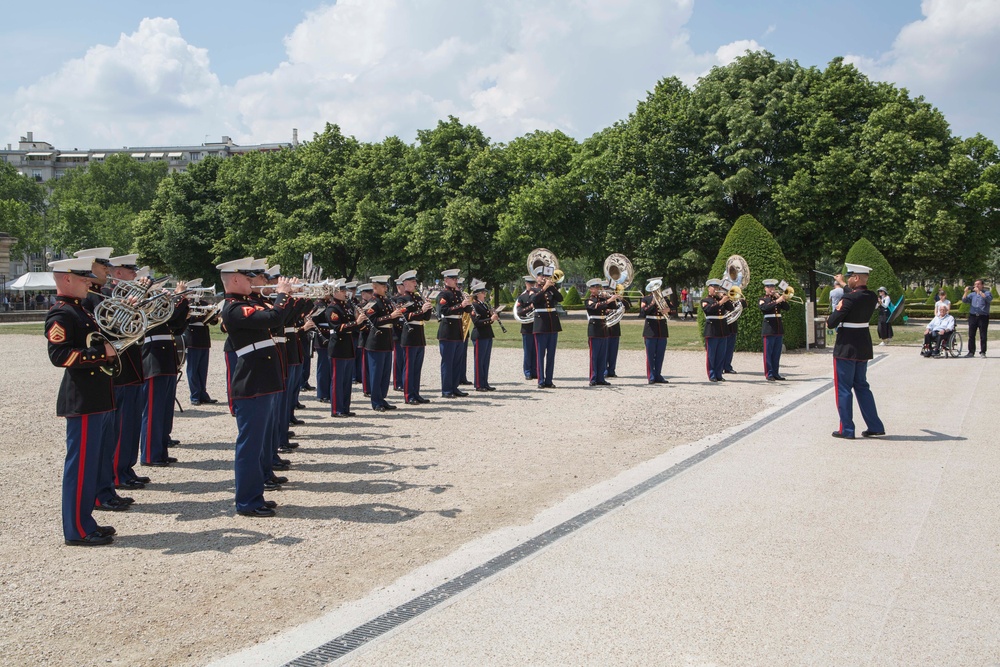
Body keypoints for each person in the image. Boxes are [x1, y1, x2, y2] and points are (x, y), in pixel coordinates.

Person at [46, 257, 120, 545]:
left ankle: (86, 520)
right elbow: (59, 356)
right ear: (66, 279)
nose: (89, 281)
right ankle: (76, 529)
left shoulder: (81, 311)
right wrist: (102, 354)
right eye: (82, 277)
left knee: (92, 464)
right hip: (83, 398)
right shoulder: (62, 314)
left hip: (96, 396)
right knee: (80, 467)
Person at [219, 257, 294, 517]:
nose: (253, 282)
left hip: (263, 379)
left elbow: (277, 315)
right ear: (235, 279)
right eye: (248, 278)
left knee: (260, 443)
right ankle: (247, 501)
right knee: (250, 446)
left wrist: (285, 295)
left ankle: (255, 495)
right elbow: (273, 317)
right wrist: (282, 295)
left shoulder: (248, 302)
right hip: (252, 382)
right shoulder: (233, 308)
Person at [106, 254, 151, 492]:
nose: (135, 274)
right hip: (121, 369)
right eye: (131, 270)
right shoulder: (108, 297)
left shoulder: (128, 295)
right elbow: (110, 329)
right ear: (119, 273)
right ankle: (116, 471)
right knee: (122, 424)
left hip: (134, 365)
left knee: (132, 423)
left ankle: (126, 468)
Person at [827, 263, 886, 440]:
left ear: (857, 278)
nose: (849, 279)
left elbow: (831, 322)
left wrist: (843, 292)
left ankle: (846, 429)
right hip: (863, 346)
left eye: (851, 276)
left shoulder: (849, 299)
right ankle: (875, 425)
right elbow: (855, 294)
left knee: (843, 388)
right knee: (862, 386)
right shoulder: (871, 296)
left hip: (846, 347)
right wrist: (843, 284)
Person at [139, 276, 189, 467]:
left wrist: (184, 308)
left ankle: (160, 449)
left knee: (165, 410)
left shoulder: (157, 303)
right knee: (153, 411)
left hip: (165, 357)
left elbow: (175, 326)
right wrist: (179, 298)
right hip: (153, 357)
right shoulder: (144, 303)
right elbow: (167, 315)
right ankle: (150, 454)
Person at [362, 275, 405, 412]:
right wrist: (390, 317)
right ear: (375, 287)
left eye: (386, 286)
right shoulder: (372, 302)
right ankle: (376, 401)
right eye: (383, 286)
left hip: (387, 339)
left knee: (385, 373)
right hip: (376, 340)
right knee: (376, 373)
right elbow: (371, 321)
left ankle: (382, 398)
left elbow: (392, 321)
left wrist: (397, 315)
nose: (386, 288)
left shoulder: (387, 301)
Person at [181, 279, 220, 406]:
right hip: (192, 338)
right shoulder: (187, 304)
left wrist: (213, 316)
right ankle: (195, 395)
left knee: (203, 369)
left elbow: (212, 322)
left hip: (203, 338)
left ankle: (203, 393)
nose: (199, 293)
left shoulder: (204, 303)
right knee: (193, 369)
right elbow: (187, 319)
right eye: (197, 290)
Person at [324, 280, 360, 418]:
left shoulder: (346, 307)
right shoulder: (332, 309)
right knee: (338, 381)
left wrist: (358, 320)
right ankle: (336, 409)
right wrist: (356, 322)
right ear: (334, 293)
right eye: (342, 290)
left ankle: (345, 407)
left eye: (345, 290)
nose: (345, 293)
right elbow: (337, 327)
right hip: (338, 347)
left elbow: (354, 325)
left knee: (346, 381)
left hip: (348, 346)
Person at [398, 270, 434, 405]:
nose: (415, 283)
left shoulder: (418, 298)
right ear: (406, 283)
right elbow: (404, 316)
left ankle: (416, 393)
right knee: (409, 367)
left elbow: (426, 317)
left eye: (415, 281)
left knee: (417, 367)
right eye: (413, 282)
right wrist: (421, 310)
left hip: (419, 333)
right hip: (409, 334)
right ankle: (408, 395)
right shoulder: (402, 299)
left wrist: (428, 307)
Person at [437, 269, 472, 398]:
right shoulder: (443, 294)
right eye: (453, 279)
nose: (456, 281)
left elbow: (466, 309)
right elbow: (443, 310)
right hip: (448, 330)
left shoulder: (458, 294)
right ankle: (446, 390)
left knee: (457, 361)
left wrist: (467, 303)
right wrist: (460, 305)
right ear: (446, 280)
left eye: (456, 279)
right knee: (448, 361)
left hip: (458, 330)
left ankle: (454, 387)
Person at [531, 267, 563, 388]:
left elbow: (560, 298)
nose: (544, 278)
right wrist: (544, 288)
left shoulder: (551, 290)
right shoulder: (534, 289)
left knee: (551, 354)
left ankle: (549, 380)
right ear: (537, 277)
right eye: (541, 276)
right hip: (541, 324)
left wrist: (552, 287)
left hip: (552, 325)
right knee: (540, 354)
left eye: (546, 276)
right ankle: (540, 380)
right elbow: (534, 300)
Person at [584, 278, 616, 386]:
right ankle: (593, 378)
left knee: (603, 355)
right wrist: (608, 300)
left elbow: (613, 307)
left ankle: (600, 378)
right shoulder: (590, 300)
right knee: (594, 356)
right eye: (596, 287)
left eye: (598, 287)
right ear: (591, 289)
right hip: (594, 329)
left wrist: (611, 298)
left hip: (603, 329)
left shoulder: (602, 298)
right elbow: (595, 307)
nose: (598, 289)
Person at [758, 279, 791, 381]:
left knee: (777, 353)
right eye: (769, 287)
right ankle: (769, 374)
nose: (771, 289)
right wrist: (777, 301)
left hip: (778, 329)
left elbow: (787, 308)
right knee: (768, 353)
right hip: (768, 329)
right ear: (765, 289)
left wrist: (783, 299)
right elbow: (764, 308)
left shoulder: (777, 298)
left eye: (772, 287)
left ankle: (776, 373)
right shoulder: (763, 299)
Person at [638, 278, 669, 384]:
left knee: (660, 354)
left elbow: (673, 309)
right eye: (655, 288)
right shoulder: (646, 299)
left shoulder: (664, 299)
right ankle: (651, 376)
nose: (657, 290)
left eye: (658, 287)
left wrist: (668, 310)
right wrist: (652, 303)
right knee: (650, 355)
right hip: (650, 330)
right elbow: (642, 313)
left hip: (662, 329)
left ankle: (658, 375)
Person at [469, 280, 498, 391]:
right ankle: (479, 384)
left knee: (485, 361)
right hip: (479, 335)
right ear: (477, 294)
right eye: (483, 292)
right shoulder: (474, 306)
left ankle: (484, 382)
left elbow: (486, 320)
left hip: (487, 334)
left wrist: (492, 316)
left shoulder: (484, 305)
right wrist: (490, 319)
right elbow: (477, 322)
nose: (485, 294)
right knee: (479, 361)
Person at [701, 279, 730, 382]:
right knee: (711, 355)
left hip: (722, 329)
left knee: (721, 354)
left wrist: (726, 299)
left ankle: (719, 374)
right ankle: (712, 374)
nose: (716, 289)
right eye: (714, 287)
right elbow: (708, 310)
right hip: (712, 330)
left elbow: (730, 308)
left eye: (718, 287)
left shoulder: (721, 299)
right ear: (709, 288)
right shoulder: (705, 300)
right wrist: (721, 302)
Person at [962, 279, 992, 357]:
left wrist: (980, 293)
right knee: (971, 335)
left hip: (983, 317)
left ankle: (983, 352)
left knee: (983, 335)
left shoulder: (987, 293)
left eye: (978, 284)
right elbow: (964, 300)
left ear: (982, 285)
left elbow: (989, 299)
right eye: (975, 284)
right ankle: (971, 352)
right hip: (973, 316)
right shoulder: (972, 295)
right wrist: (966, 292)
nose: (976, 286)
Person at [516, 276, 538, 380]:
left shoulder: (538, 295)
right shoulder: (522, 296)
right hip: (527, 327)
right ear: (526, 284)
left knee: (537, 351)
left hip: (538, 326)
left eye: (533, 283)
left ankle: (535, 371)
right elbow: (519, 311)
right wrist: (530, 307)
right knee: (528, 351)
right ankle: (528, 372)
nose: (532, 285)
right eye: (530, 283)